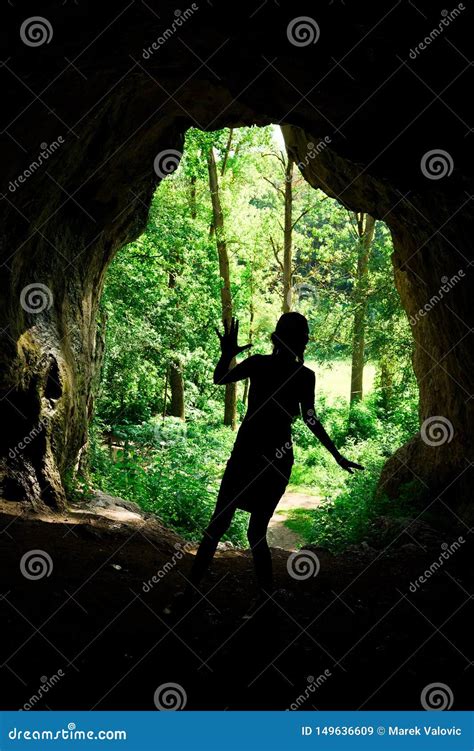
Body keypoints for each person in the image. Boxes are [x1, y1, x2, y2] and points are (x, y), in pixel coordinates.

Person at [177, 313, 363, 617]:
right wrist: (336, 454)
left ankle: (189, 595)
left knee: (217, 526)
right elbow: (310, 419)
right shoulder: (305, 376)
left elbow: (219, 378)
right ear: (302, 341)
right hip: (277, 457)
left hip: (247, 453)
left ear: (276, 337)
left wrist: (227, 353)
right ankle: (264, 601)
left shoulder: (258, 363)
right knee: (256, 533)